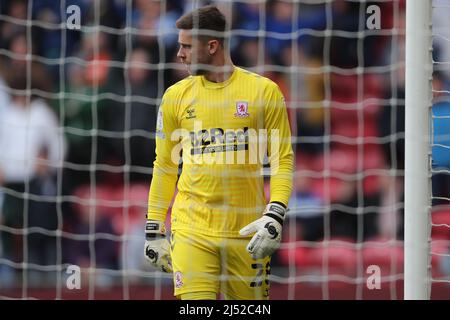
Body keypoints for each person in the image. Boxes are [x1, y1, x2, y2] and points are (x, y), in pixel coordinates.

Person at [144, 5, 293, 300]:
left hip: (247, 231)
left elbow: (282, 159)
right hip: (192, 229)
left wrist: (275, 214)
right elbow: (164, 165)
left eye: (187, 46)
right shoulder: (175, 97)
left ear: (212, 46)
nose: (180, 54)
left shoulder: (264, 92)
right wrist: (154, 226)